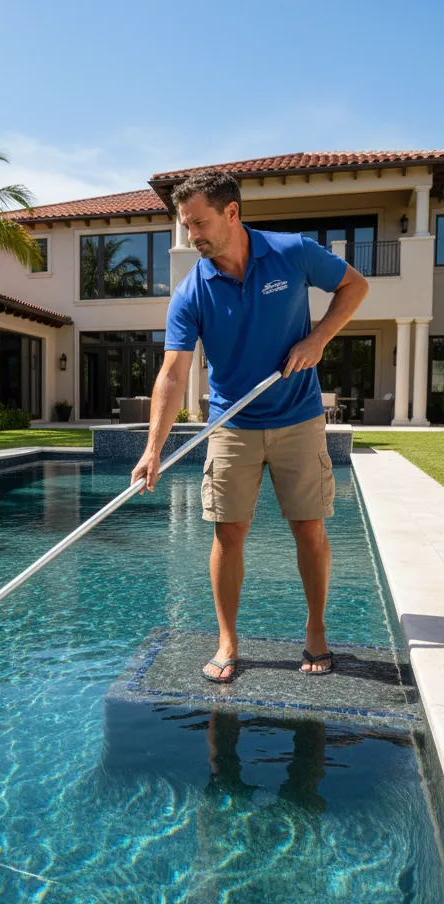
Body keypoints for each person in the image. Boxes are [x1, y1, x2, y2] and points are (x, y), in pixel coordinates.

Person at [132, 170, 369, 683]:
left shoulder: (291, 253)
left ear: (231, 212)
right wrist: (153, 448)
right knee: (228, 532)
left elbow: (355, 285)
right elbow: (173, 373)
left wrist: (320, 338)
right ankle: (227, 639)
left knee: (309, 527)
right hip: (231, 424)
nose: (192, 235)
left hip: (298, 418)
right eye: (185, 226)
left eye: (198, 223)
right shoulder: (191, 291)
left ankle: (316, 630)